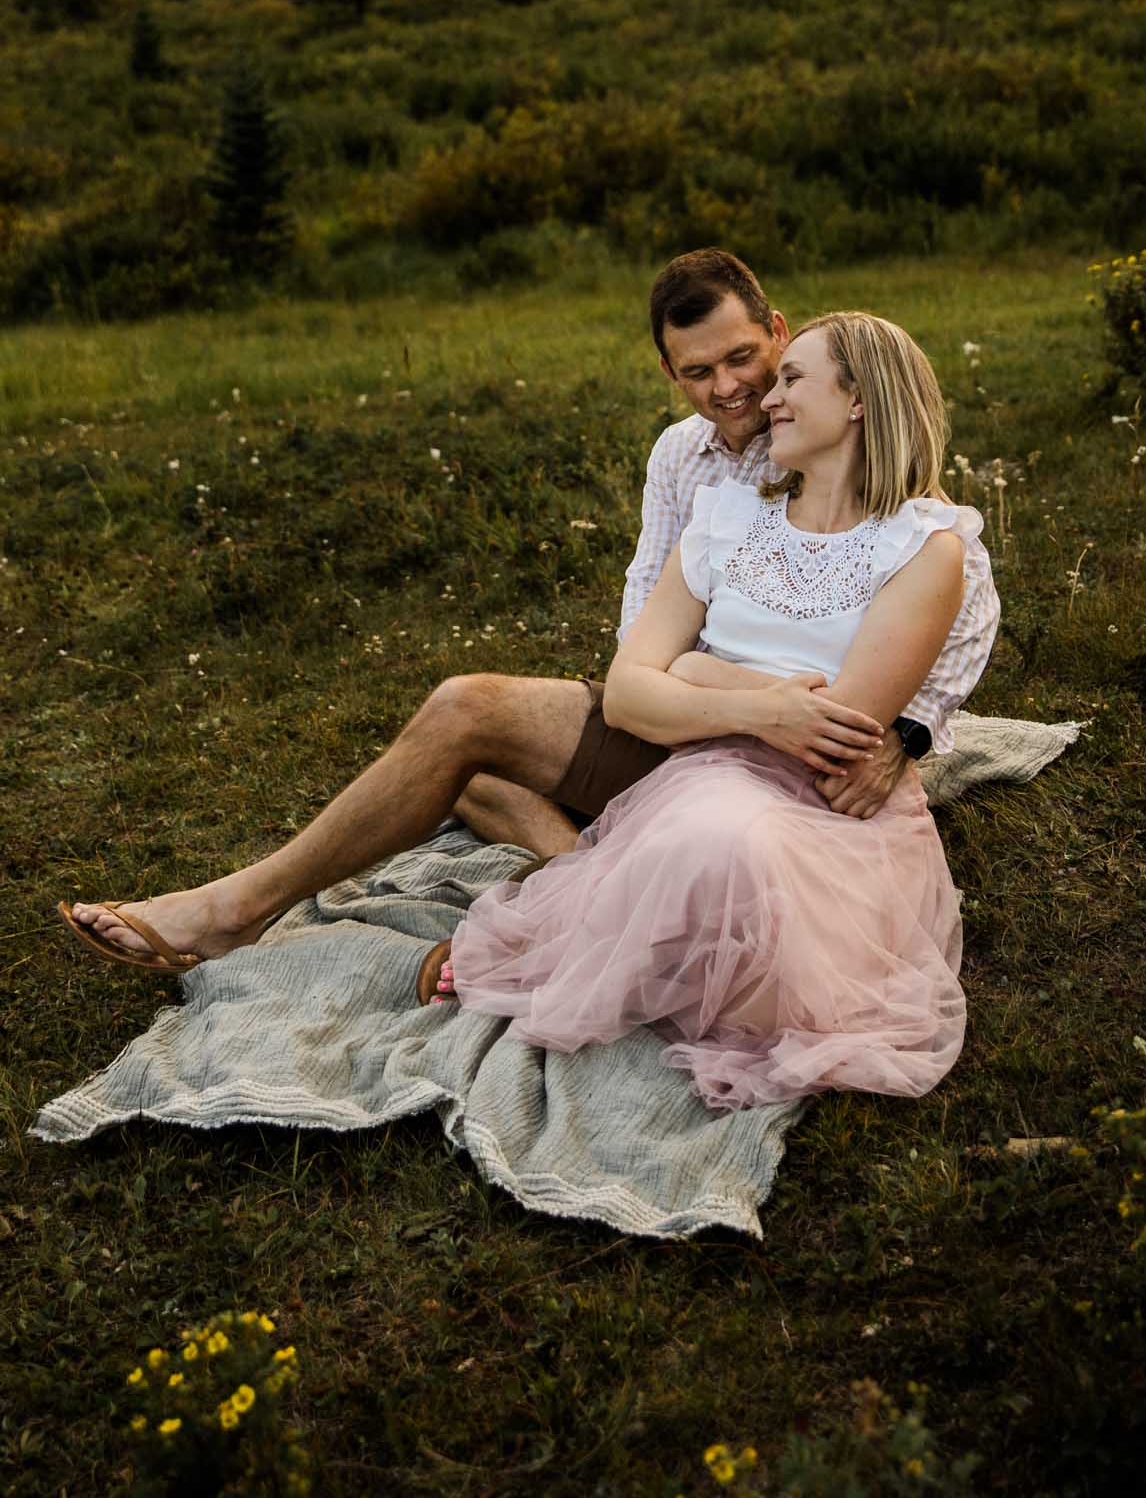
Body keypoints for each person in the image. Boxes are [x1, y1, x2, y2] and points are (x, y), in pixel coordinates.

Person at [58, 255, 907, 973]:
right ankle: (585, 873)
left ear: (780, 333)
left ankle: (236, 910)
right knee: (461, 738)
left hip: (776, 747)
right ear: (667, 374)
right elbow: (638, 618)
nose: (728, 388)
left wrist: (908, 738)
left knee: (465, 748)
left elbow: (942, 588)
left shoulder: (827, 432)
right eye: (696, 371)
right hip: (673, 706)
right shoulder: (678, 455)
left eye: (744, 358)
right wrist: (662, 684)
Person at [421, 312, 999, 1112]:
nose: (768, 401)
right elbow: (627, 692)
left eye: (791, 379)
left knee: (727, 839)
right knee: (705, 825)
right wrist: (759, 701)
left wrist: (694, 672)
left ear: (859, 399)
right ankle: (606, 935)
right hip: (704, 767)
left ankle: (610, 932)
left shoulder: (924, 544)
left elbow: (838, 736)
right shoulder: (727, 515)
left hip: (822, 806)